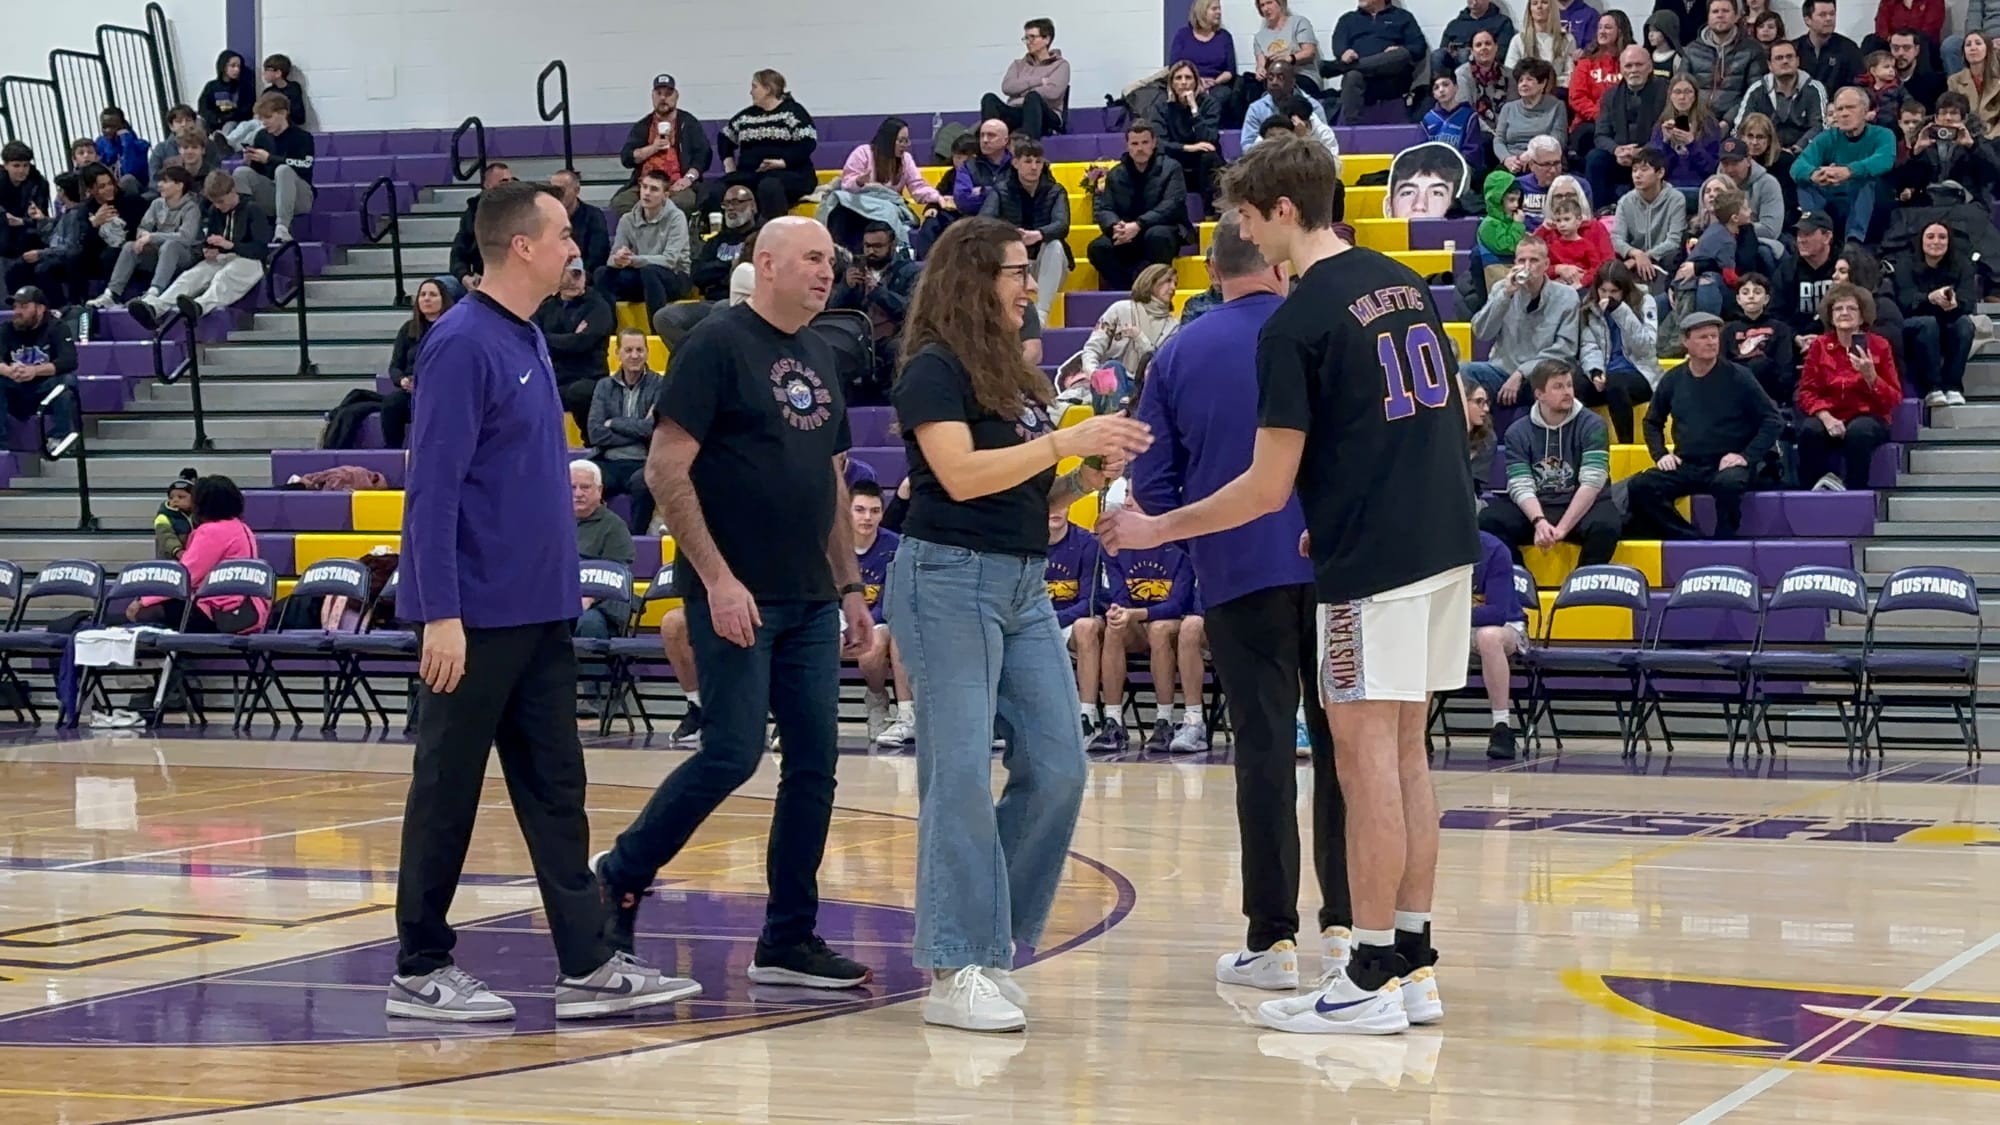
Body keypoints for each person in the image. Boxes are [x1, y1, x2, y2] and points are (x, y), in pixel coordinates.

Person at [1099, 135, 1472, 1035]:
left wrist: (1156, 529)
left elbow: (1264, 489)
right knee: (1408, 755)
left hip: (1371, 567)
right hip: (1442, 541)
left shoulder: (1297, 322)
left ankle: (1368, 972)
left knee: (1363, 760)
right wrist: (1342, 506)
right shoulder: (1403, 282)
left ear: (1282, 211)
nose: (1244, 232)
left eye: (1247, 214)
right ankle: (1413, 962)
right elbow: (1443, 418)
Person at [387, 179, 696, 1022]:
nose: (575, 246)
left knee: (558, 789)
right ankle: (420, 966)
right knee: (446, 789)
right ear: (522, 245)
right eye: (562, 233)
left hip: (539, 611)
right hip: (474, 617)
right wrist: (439, 612)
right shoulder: (459, 343)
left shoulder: (525, 335)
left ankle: (587, 962)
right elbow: (431, 490)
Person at [885, 215, 1152, 1032]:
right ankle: (955, 963)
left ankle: (988, 941)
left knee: (1060, 763)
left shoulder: (1015, 372)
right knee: (960, 774)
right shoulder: (932, 368)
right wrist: (1066, 439)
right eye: (1016, 270)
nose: (1030, 285)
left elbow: (1032, 496)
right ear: (973, 277)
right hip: (947, 580)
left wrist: (1085, 477)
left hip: (1023, 583)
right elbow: (962, 475)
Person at [593, 217, 874, 991]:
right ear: (768, 264)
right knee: (732, 750)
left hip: (811, 598)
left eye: (830, 260)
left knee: (815, 766)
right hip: (736, 593)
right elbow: (665, 470)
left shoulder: (822, 352)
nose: (827, 270)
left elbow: (831, 483)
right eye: (812, 258)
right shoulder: (715, 344)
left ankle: (788, 938)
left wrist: (851, 586)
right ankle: (619, 874)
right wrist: (715, 578)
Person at [1127, 212, 1348, 990]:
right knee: (1345, 749)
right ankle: (1347, 932)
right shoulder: (1320, 329)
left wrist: (1202, 533)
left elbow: (1152, 483)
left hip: (1234, 571)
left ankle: (1272, 940)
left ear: (1211, 271)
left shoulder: (1176, 352)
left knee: (1262, 751)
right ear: (1279, 264)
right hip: (1334, 566)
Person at [1625, 311, 1781, 540]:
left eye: (1714, 336)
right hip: (1688, 463)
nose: (1711, 342)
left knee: (1728, 484)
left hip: (1727, 463)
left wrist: (1746, 456)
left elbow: (1772, 420)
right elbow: (1652, 422)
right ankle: (1688, 537)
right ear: (1685, 342)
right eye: (1703, 337)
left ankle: (1724, 541)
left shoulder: (1739, 376)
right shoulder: (1673, 379)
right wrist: (1660, 454)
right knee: (1640, 486)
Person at [1478, 358, 1621, 570]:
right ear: (1539, 394)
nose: (1567, 392)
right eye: (1558, 387)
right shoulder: (1517, 432)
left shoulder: (1593, 424)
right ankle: (1520, 580)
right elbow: (1521, 484)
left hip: (1582, 504)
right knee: (1488, 521)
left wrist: (1562, 528)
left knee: (1607, 525)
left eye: (1569, 385)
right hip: (1539, 505)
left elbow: (1592, 483)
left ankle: (1580, 581)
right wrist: (1539, 521)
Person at [124, 170, 271, 329]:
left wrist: (231, 246)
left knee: (225, 276)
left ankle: (200, 306)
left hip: (250, 261)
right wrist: (209, 250)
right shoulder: (215, 211)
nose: (218, 206)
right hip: (223, 257)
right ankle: (156, 307)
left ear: (232, 191)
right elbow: (211, 241)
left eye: (221, 201)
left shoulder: (252, 209)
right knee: (191, 276)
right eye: (214, 202)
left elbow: (260, 250)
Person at [129, 474, 268, 633]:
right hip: (250, 609)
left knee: (146, 611)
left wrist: (144, 601)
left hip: (225, 613)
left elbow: (185, 576)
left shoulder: (211, 531)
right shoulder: (241, 527)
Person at [1797, 282, 1900, 491]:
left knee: (1859, 432)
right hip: (1830, 415)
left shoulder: (1880, 346)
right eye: (1838, 309)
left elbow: (1894, 399)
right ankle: (1813, 490)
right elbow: (1806, 391)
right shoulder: (1819, 346)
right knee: (1809, 430)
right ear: (1830, 316)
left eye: (1851, 308)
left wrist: (1872, 377)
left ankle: (1854, 492)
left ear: (1862, 317)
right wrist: (1826, 417)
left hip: (1869, 416)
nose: (1844, 313)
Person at [1466, 236, 1583, 403]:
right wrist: (1505, 296)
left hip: (1543, 374)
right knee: (1464, 372)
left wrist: (1522, 372)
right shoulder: (1502, 288)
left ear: (1546, 264)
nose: (1527, 266)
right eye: (1522, 260)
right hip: (1502, 370)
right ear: (1515, 263)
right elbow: (1482, 333)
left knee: (1553, 382)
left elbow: (1565, 350)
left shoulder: (1567, 296)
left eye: (1534, 260)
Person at [846, 480, 912, 744]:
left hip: (879, 621)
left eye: (874, 511)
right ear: (847, 512)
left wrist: (862, 627)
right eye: (860, 510)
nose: (867, 517)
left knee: (873, 646)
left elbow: (892, 601)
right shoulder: (833, 545)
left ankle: (878, 701)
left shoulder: (894, 545)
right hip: (840, 621)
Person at [1086, 122, 1189, 293]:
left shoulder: (1171, 168)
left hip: (1164, 229)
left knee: (1157, 236)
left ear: (1154, 143)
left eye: (1145, 142)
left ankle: (1150, 289)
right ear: (1127, 145)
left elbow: (1172, 205)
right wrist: (1115, 226)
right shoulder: (1116, 173)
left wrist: (1139, 224)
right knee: (1098, 248)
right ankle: (1129, 289)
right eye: (1134, 143)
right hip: (1127, 232)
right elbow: (1105, 209)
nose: (1140, 148)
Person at [979, 134, 1071, 320]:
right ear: (1015, 163)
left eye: (1038, 161)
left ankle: (1041, 315)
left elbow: (1062, 225)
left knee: (1054, 245)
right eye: (1028, 161)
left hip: (1046, 265)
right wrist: (1012, 235)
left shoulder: (1055, 190)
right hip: (1013, 263)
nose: (1034, 167)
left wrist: (1038, 235)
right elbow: (983, 221)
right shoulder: (1001, 190)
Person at [87, 164, 202, 308]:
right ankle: (111, 294)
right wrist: (142, 237)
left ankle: (154, 292)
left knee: (170, 245)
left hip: (185, 255)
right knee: (130, 246)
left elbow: (186, 237)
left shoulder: (191, 208)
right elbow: (143, 228)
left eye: (165, 181)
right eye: (159, 181)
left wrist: (152, 237)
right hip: (159, 253)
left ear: (179, 185)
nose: (159, 185)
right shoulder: (157, 204)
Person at [1893, 221, 1979, 407]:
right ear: (1921, 241)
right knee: (1928, 323)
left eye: (1942, 237)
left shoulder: (1962, 265)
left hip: (1948, 323)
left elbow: (1968, 301)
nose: (1936, 242)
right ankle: (1933, 388)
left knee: (1965, 324)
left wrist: (1955, 304)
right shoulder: (1905, 264)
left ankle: (1953, 387)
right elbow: (1905, 301)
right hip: (1914, 326)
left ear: (1949, 242)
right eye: (1930, 237)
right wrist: (1929, 298)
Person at [1793, 87, 1894, 244]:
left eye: (1850, 107)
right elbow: (1797, 166)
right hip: (1835, 197)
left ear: (1865, 111)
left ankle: (1854, 241)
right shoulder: (1827, 137)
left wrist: (1849, 171)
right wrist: (1815, 174)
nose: (1844, 113)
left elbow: (1884, 161)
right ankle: (1814, 231)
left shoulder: (1883, 135)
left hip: (1872, 202)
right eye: (1839, 109)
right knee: (1804, 182)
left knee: (1865, 180)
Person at [588, 329, 666, 534]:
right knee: (583, 479)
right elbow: (595, 432)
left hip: (643, 461)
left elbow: (653, 429)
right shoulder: (604, 386)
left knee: (645, 482)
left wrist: (613, 422)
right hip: (608, 460)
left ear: (647, 352)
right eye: (629, 350)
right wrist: (638, 429)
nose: (634, 355)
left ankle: (637, 538)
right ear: (618, 353)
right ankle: (588, 537)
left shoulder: (659, 384)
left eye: (640, 350)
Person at [717, 70, 818, 222]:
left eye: (754, 87)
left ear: (768, 89)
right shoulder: (746, 116)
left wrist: (783, 162)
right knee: (718, 188)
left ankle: (774, 228)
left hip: (789, 173)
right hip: (752, 174)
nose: (751, 92)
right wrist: (729, 164)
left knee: (768, 186)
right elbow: (725, 137)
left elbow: (807, 143)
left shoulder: (793, 113)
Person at [612, 74, 710, 222]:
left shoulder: (688, 123)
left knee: (683, 202)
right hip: (646, 185)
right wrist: (653, 148)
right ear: (652, 96)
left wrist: (688, 179)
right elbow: (627, 158)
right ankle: (645, 232)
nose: (663, 98)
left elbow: (703, 155)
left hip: (676, 184)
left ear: (676, 96)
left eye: (668, 94)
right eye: (659, 93)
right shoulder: (643, 125)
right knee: (621, 202)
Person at [597, 169, 692, 320]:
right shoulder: (627, 219)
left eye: (654, 189)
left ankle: (657, 328)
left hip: (675, 277)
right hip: (642, 277)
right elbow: (611, 260)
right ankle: (609, 327)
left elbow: (670, 260)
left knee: (650, 272)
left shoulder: (676, 217)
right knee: (602, 273)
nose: (647, 193)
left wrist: (633, 260)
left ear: (665, 195)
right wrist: (619, 259)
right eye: (644, 187)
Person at [0, 285, 78, 454]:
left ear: (40, 308)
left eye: (24, 306)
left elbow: (69, 361)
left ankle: (60, 438)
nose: (17, 312)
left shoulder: (57, 327)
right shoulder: (7, 329)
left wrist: (34, 371)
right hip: (16, 390)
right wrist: (9, 371)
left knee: (66, 382)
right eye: (15, 307)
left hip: (45, 391)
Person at [230, 92, 314, 245]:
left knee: (283, 170)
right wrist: (250, 161)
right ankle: (246, 226)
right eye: (261, 118)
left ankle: (282, 228)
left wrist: (269, 159)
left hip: (299, 195)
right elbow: (258, 173)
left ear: (283, 114)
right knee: (241, 172)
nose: (264, 123)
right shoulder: (261, 136)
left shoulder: (303, 137)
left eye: (268, 117)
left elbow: (304, 166)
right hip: (272, 194)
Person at [1324, 0, 1425, 124]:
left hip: (1392, 76)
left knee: (1400, 54)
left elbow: (1419, 47)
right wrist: (1344, 53)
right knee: (1352, 76)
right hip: (1362, 81)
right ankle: (1351, 127)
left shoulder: (1403, 17)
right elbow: (1338, 45)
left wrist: (1400, 49)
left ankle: (1341, 68)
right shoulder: (1348, 19)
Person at [382, 278, 453, 449]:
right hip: (412, 391)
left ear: (443, 299)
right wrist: (402, 380)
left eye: (433, 295)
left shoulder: (453, 328)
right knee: (392, 403)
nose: (426, 299)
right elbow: (395, 366)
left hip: (441, 391)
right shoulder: (408, 329)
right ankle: (393, 450)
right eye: (422, 295)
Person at [983, 18, 1071, 138]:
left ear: (1046, 39)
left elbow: (1053, 92)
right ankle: (990, 141)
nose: (1028, 42)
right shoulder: (1018, 64)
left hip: (1045, 114)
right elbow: (1007, 87)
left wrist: (1022, 91)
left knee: (1033, 97)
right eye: (1026, 38)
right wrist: (1038, 82)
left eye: (1032, 37)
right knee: (989, 99)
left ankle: (1029, 144)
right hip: (1016, 111)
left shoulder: (1061, 65)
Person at [1152, 62, 1225, 206]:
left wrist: (1194, 110)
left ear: (1196, 81)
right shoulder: (1161, 107)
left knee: (1209, 157)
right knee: (1160, 161)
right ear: (1171, 83)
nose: (1184, 82)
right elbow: (1159, 143)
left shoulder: (1209, 104)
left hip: (1201, 164)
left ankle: (1211, 213)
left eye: (1188, 77)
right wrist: (1188, 148)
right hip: (1176, 161)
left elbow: (1209, 139)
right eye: (1178, 78)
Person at [1680, 0, 1765, 119]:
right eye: (1715, 11)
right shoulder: (1692, 50)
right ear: (1708, 17)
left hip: (1737, 121)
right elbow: (1680, 89)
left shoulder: (1752, 50)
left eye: (1725, 11)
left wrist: (1727, 121)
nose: (1720, 15)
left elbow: (1755, 94)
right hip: (1697, 119)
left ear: (1736, 16)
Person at [1795, 0, 1866, 95]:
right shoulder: (1795, 49)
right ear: (1808, 20)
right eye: (1822, 15)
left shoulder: (1849, 48)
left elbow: (1860, 86)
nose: (1829, 19)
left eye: (1832, 14)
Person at [152, 468, 197, 560]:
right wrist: (177, 550)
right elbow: (166, 537)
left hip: (194, 558)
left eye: (181, 497)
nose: (175, 500)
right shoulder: (163, 517)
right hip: (171, 560)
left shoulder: (199, 515)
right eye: (171, 497)